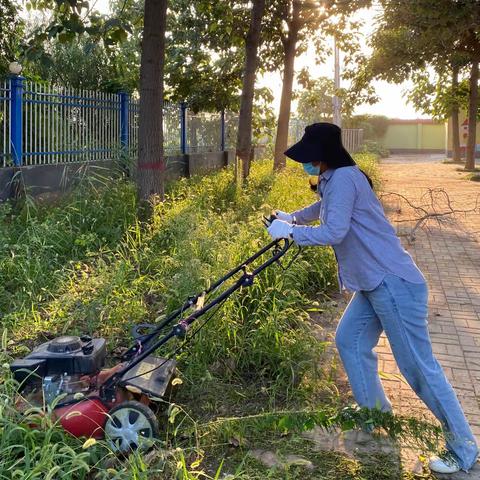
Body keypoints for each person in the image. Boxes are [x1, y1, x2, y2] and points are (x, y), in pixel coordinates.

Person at [267, 122, 478, 474]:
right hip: (373, 283)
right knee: (349, 340)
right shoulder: (335, 178)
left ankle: (464, 447)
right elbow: (323, 209)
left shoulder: (346, 177)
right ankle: (375, 414)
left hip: (392, 283)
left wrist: (291, 233)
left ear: (323, 154)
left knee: (418, 369)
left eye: (309, 155)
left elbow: (335, 230)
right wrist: (291, 217)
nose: (305, 162)